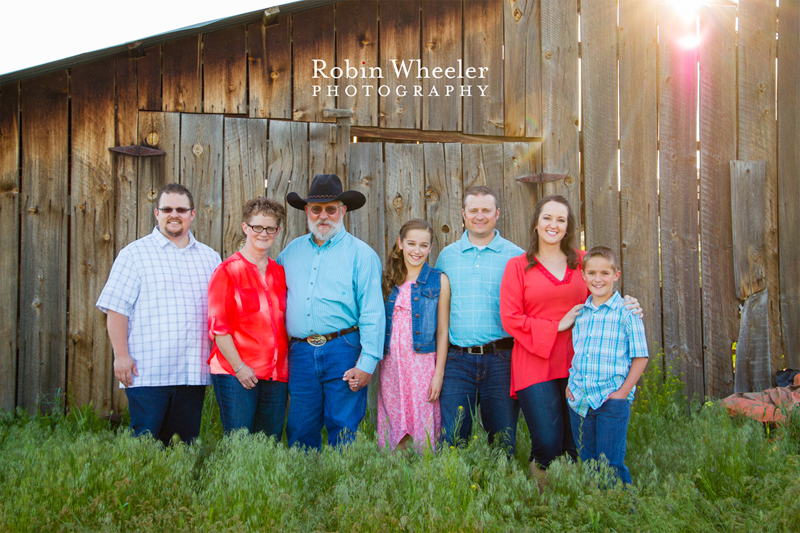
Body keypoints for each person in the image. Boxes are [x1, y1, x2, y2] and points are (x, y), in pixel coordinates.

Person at [499, 195, 640, 487]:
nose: (553, 224)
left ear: (567, 227)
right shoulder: (517, 266)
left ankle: (578, 498)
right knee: (548, 443)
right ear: (536, 224)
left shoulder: (582, 260)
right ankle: (543, 497)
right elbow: (510, 318)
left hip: (581, 364)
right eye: (547, 218)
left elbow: (603, 291)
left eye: (560, 219)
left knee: (578, 442)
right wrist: (556, 325)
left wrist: (629, 303)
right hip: (535, 363)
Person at [96, 183, 221, 445]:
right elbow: (117, 309)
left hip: (191, 372)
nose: (174, 214)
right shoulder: (134, 254)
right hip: (148, 371)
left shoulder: (210, 258)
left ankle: (178, 486)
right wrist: (121, 356)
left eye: (181, 209)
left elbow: (220, 312)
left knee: (184, 445)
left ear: (192, 214)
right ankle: (141, 487)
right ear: (157, 213)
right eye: (167, 209)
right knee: (145, 443)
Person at [277, 174, 385, 449]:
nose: (323, 216)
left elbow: (373, 313)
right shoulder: (291, 252)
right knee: (300, 425)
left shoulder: (362, 255)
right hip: (300, 352)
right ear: (307, 211)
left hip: (344, 349)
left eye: (331, 209)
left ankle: (343, 486)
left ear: (343, 211)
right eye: (316, 209)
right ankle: (303, 488)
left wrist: (367, 362)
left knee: (344, 425)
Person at [435, 186, 523, 454]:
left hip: (502, 358)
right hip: (457, 360)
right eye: (473, 210)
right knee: (452, 436)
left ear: (497, 214)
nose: (480, 215)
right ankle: (454, 490)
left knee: (502, 438)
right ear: (463, 214)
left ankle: (501, 490)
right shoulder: (446, 256)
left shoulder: (516, 256)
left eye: (486, 210)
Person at [564, 246, 649, 485]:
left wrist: (622, 394)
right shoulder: (581, 314)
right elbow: (579, 353)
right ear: (583, 275)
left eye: (604, 273)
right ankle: (595, 513)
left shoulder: (627, 312)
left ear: (616, 275)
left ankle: (623, 513)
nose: (598, 279)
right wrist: (571, 384)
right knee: (588, 462)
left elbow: (641, 356)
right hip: (580, 400)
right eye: (592, 273)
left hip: (611, 400)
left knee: (611, 463)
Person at [206, 197, 290, 437]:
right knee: (240, 445)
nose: (263, 233)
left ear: (278, 231)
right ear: (245, 227)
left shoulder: (280, 273)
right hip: (237, 373)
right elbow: (218, 329)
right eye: (257, 227)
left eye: (270, 228)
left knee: (268, 445)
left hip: (276, 375)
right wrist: (240, 367)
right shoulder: (227, 271)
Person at [378, 219, 451, 452]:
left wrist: (438, 374)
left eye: (423, 245)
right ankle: (397, 472)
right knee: (394, 415)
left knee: (423, 416)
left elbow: (442, 331)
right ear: (400, 244)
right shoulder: (388, 280)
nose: (417, 251)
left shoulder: (439, 280)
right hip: (391, 364)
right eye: (411, 244)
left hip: (422, 364)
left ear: (430, 248)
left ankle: (424, 471)